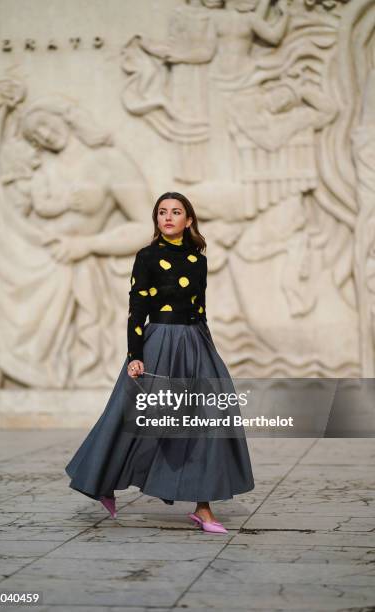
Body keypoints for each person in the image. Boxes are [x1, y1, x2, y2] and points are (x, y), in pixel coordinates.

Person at [65, 191, 254, 533]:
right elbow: (137, 309)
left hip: (195, 344)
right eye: (162, 212)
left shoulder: (199, 260)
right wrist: (134, 356)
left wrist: (208, 351)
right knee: (132, 419)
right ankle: (101, 482)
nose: (168, 217)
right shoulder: (147, 257)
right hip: (158, 345)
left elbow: (201, 310)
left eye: (176, 212)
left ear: (188, 220)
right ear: (156, 220)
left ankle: (203, 508)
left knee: (209, 418)